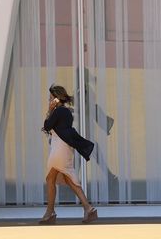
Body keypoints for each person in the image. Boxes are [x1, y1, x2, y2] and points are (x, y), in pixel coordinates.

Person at [39, 84, 97, 224]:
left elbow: (47, 126)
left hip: (59, 149)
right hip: (63, 148)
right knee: (69, 179)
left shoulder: (58, 111)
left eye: (51, 98)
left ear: (57, 98)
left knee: (51, 179)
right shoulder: (65, 112)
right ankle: (88, 209)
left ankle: (50, 213)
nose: (49, 100)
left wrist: (50, 110)